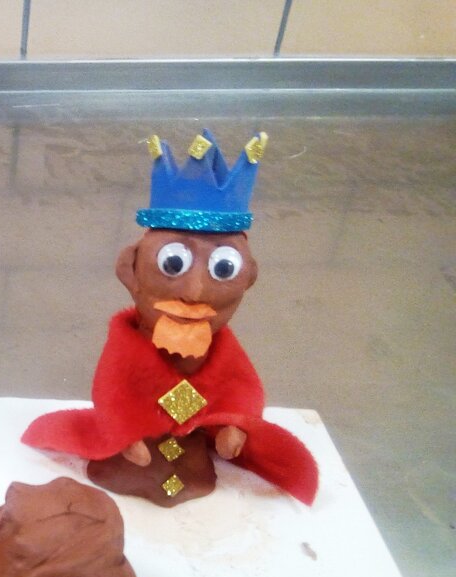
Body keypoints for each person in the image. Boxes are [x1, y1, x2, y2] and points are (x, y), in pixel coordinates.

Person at [22, 131, 317, 506]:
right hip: (137, 452)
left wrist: (233, 426)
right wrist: (125, 434)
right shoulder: (125, 350)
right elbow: (113, 391)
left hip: (193, 450)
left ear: (249, 277)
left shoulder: (224, 353)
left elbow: (240, 388)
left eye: (222, 268)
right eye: (173, 263)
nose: (194, 291)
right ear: (131, 271)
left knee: (191, 469)